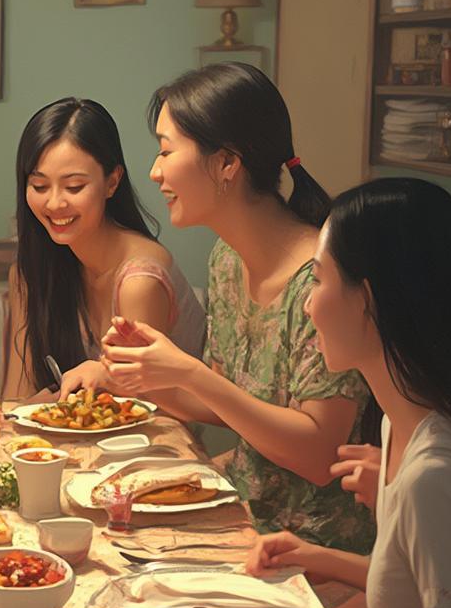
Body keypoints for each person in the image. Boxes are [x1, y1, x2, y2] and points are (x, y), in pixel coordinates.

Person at [243, 178, 451, 608]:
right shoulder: (399, 425)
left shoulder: (433, 475)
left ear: (371, 301)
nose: (308, 305)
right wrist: (324, 558)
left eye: (322, 280)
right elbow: (430, 604)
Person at [101, 63, 373, 552]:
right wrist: (143, 373)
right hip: (242, 514)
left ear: (227, 163)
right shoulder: (228, 260)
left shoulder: (321, 280)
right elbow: (231, 407)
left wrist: (187, 372)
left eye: (166, 151)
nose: (155, 171)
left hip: (311, 547)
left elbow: (317, 454)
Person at [3, 97, 205, 399]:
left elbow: (137, 410)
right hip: (65, 444)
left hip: (147, 442)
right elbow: (17, 397)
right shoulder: (30, 273)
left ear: (112, 182)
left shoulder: (139, 281)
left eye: (73, 187)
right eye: (40, 186)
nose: (55, 203)